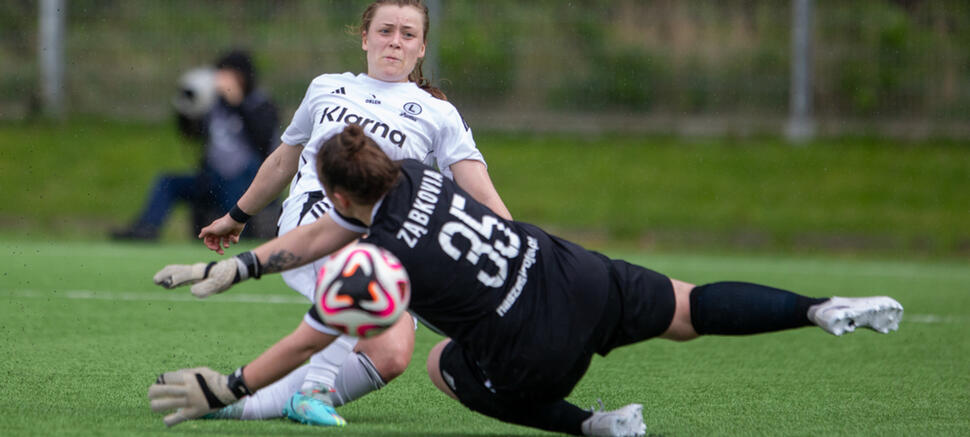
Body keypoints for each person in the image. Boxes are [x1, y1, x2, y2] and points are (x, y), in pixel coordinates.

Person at [149, 125, 904, 437]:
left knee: (444, 366)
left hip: (531, 345)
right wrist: (246, 263)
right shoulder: (414, 170)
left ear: (344, 193)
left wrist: (231, 385)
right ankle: (818, 308)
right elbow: (327, 229)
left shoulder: (375, 265)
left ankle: (592, 424)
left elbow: (306, 338)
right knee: (688, 305)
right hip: (572, 274)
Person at [192, 0, 512, 427]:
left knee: (392, 352)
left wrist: (523, 251)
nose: (394, 42)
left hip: (380, 242)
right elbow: (283, 161)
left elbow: (481, 191)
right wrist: (237, 215)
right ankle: (312, 391)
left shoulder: (440, 115)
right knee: (364, 283)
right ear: (364, 37)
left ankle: (239, 403)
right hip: (315, 225)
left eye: (407, 34)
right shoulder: (326, 87)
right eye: (385, 31)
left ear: (421, 48)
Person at [112, 49, 279, 241]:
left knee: (236, 206)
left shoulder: (261, 104)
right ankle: (146, 229)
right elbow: (190, 135)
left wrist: (237, 102)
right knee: (167, 182)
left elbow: (263, 142)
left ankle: (243, 235)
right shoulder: (215, 103)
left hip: (245, 181)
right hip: (213, 178)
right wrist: (187, 108)